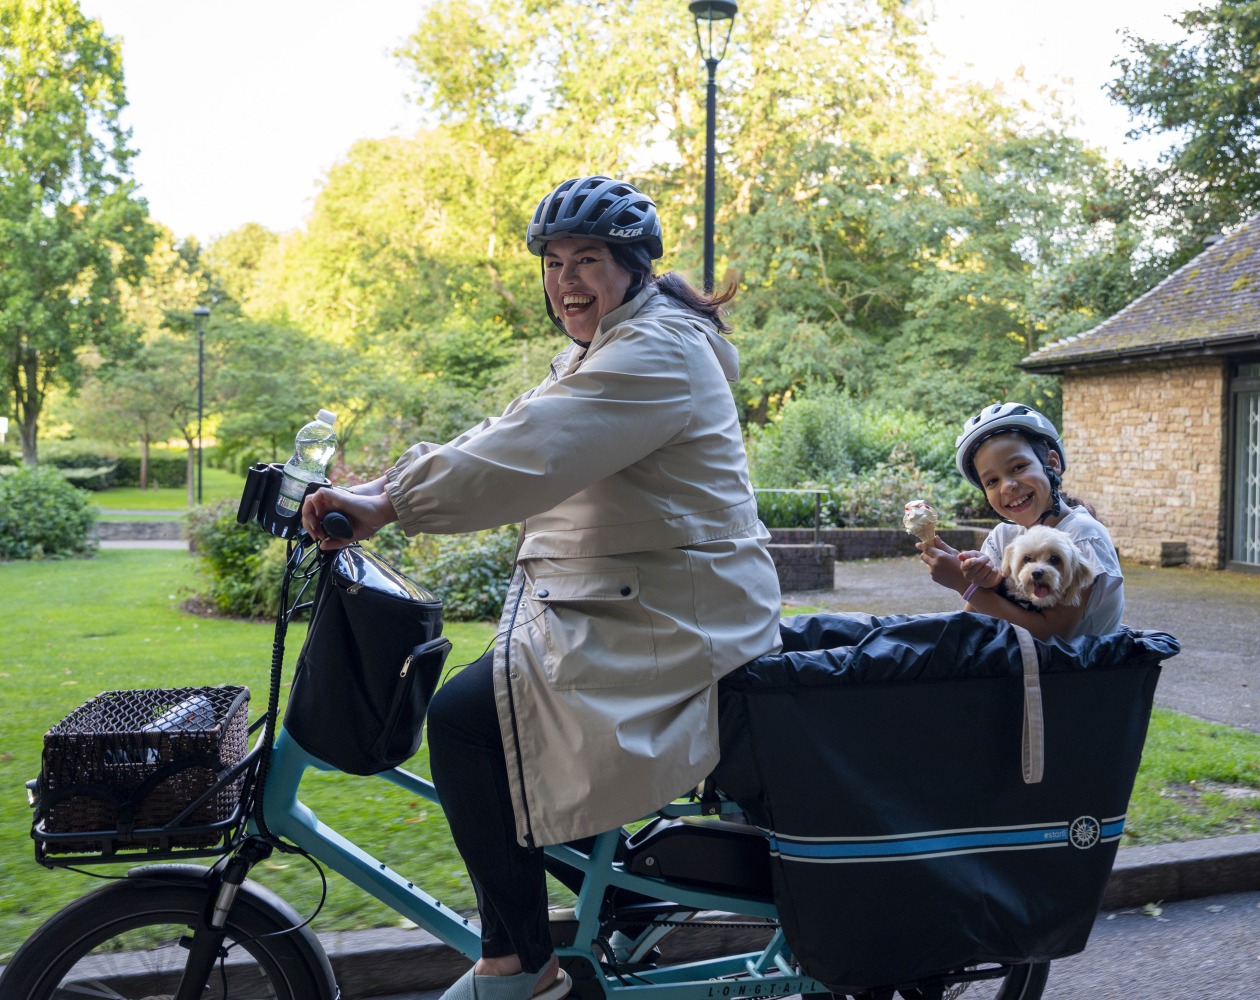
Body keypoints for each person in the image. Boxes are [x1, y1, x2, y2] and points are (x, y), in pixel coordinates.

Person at [302, 175, 783, 1000]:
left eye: (588, 260)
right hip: (632, 607)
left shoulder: (656, 350)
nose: (567, 281)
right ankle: (625, 907)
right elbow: (508, 430)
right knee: (513, 732)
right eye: (555, 263)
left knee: (463, 726)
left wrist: (392, 504)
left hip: (678, 620)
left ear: (631, 266)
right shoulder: (606, 346)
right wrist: (387, 483)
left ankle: (521, 966)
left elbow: (537, 450)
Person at [917, 402, 1124, 640]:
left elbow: (1051, 634)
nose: (1008, 486)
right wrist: (982, 580)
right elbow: (973, 622)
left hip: (1068, 675)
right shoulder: (1003, 537)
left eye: (1018, 467)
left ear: (1052, 463)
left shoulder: (1084, 536)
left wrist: (965, 586)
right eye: (992, 481)